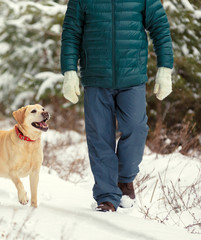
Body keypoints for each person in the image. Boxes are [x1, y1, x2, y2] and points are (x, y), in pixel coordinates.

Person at [60, 0, 173, 212]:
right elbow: (71, 32)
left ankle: (125, 179)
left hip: (132, 76)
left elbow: (159, 26)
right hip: (95, 77)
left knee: (136, 127)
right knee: (100, 137)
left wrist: (165, 68)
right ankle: (106, 196)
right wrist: (69, 71)